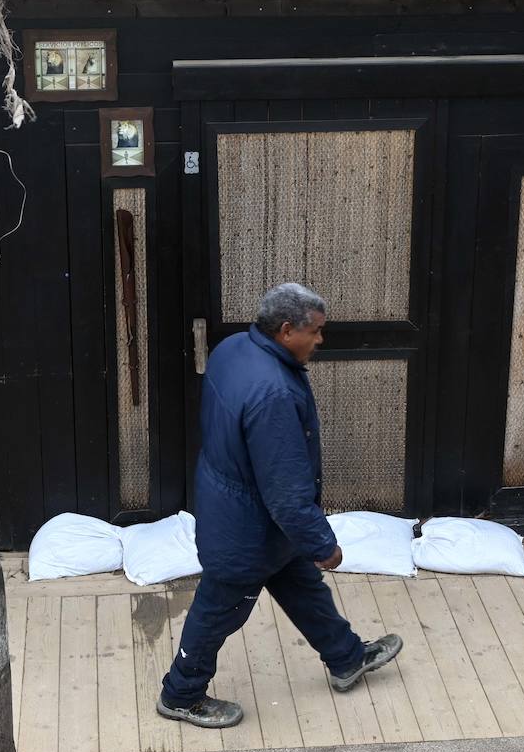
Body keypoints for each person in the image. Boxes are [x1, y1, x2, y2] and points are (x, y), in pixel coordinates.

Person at [157, 282, 403, 728]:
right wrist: (323, 544)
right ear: (287, 330)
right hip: (247, 530)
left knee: (300, 584)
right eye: (316, 331)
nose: (320, 340)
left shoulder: (233, 349)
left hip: (241, 510)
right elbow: (287, 493)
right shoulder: (273, 394)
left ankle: (346, 658)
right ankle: (180, 694)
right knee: (217, 611)